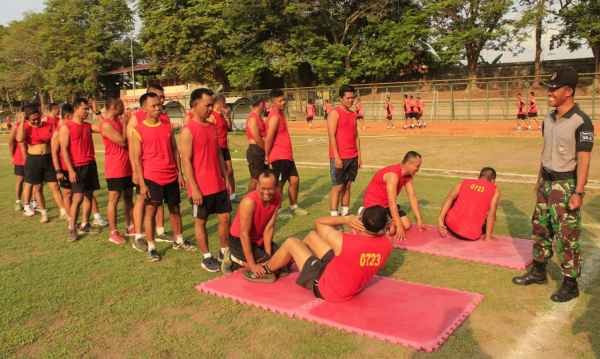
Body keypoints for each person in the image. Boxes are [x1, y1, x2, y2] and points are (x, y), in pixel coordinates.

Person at [513, 67, 594, 303]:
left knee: (566, 234)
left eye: (554, 89)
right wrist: (539, 180)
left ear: (568, 91)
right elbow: (545, 151)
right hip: (546, 182)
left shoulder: (582, 122)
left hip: (566, 184)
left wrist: (578, 192)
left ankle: (570, 284)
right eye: (549, 88)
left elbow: (584, 160)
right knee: (540, 227)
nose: (549, 92)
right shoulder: (548, 119)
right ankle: (539, 271)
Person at [245, 207, 392, 303]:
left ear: (361, 222)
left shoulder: (345, 242)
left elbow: (319, 223)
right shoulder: (387, 244)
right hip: (349, 282)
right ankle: (285, 262)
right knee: (311, 237)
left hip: (327, 288)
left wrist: (346, 219)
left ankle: (266, 271)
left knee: (291, 242)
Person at [131, 92, 188, 262]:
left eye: (159, 105)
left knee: (175, 209)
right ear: (144, 108)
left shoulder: (166, 125)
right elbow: (136, 159)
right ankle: (151, 247)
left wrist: (180, 174)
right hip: (152, 178)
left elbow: (175, 150)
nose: (158, 108)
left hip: (171, 176)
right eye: (153, 106)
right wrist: (142, 183)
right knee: (151, 212)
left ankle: (179, 240)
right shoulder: (138, 130)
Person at [180, 88, 233, 272]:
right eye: (207, 105)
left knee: (225, 218)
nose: (211, 108)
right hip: (201, 187)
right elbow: (185, 161)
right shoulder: (188, 131)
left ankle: (224, 252)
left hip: (218, 184)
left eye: (212, 104)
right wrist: (193, 187)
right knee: (201, 222)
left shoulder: (211, 127)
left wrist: (225, 177)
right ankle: (206, 257)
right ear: (194, 105)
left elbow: (218, 153)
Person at [127, 84, 170, 249]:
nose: (161, 100)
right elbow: (132, 147)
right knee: (142, 200)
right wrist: (135, 171)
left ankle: (160, 230)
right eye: (158, 97)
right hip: (145, 170)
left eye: (162, 98)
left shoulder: (163, 116)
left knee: (159, 202)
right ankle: (139, 235)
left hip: (163, 170)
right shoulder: (136, 118)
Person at [59, 98, 101, 240]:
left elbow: (103, 128)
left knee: (89, 195)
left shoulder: (88, 126)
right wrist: (70, 170)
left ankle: (85, 224)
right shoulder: (67, 127)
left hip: (90, 164)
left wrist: (97, 111)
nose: (87, 112)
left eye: (88, 109)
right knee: (77, 197)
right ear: (76, 109)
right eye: (85, 109)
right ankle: (71, 227)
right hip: (77, 167)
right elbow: (63, 150)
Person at [17, 104, 65, 223]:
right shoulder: (26, 127)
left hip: (48, 158)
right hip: (33, 160)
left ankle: (63, 210)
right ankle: (43, 212)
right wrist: (23, 122)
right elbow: (19, 139)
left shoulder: (48, 125)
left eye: (38, 118)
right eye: (33, 119)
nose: (36, 120)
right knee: (37, 188)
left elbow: (56, 137)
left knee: (55, 186)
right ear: (28, 118)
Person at [362, 151, 425, 241]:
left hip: (386, 205)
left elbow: (412, 196)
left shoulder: (408, 175)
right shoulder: (393, 175)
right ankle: (364, 215)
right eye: (417, 166)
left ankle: (387, 223)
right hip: (374, 206)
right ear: (409, 164)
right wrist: (398, 225)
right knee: (392, 231)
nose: (418, 169)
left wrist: (419, 219)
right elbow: (392, 202)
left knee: (407, 225)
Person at [264, 89, 308, 217]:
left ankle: (293, 206)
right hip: (278, 156)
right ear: (273, 102)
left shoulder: (280, 113)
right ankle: (275, 210)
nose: (284, 102)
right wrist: (267, 156)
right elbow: (269, 137)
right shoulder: (275, 116)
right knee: (279, 184)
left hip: (287, 155)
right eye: (280, 101)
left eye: (284, 100)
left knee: (294, 180)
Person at [228, 170, 281, 273]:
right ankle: (235, 259)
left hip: (257, 240)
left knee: (282, 263)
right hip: (239, 240)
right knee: (269, 269)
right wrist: (252, 266)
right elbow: (244, 234)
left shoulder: (278, 197)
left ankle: (247, 261)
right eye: (263, 188)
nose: (266, 192)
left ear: (276, 187)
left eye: (270, 189)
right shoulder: (249, 202)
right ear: (257, 186)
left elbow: (269, 229)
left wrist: (268, 255)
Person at [100, 98, 133, 245]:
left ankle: (130, 226)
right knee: (114, 199)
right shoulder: (106, 125)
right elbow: (122, 141)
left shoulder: (117, 121)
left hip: (126, 166)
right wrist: (126, 122)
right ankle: (113, 232)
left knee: (128, 197)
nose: (124, 109)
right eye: (122, 106)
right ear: (114, 107)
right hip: (115, 168)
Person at [438, 167, 501, 241]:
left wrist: (440, 220)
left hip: (450, 227)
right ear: (493, 180)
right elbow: (491, 214)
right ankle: (487, 234)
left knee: (453, 198)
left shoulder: (464, 182)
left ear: (479, 177)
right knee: (492, 210)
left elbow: (449, 198)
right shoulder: (494, 190)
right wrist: (488, 237)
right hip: (471, 235)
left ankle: (447, 222)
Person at [327, 85, 361, 218]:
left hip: (353, 156)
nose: (351, 100)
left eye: (353, 98)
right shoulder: (334, 113)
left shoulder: (353, 114)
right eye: (348, 98)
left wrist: (359, 156)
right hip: (340, 157)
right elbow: (331, 136)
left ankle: (345, 212)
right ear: (341, 98)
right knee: (337, 187)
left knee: (348, 186)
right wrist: (336, 157)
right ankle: (334, 216)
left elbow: (356, 136)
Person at [208, 94, 238, 203]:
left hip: (224, 147)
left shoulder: (222, 115)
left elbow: (229, 128)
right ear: (218, 103)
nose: (225, 105)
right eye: (224, 102)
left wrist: (227, 116)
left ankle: (232, 195)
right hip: (217, 148)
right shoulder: (212, 116)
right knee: (220, 173)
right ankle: (221, 193)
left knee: (230, 171)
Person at [51, 103, 73, 220]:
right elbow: (54, 153)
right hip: (64, 168)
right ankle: (71, 219)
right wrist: (58, 171)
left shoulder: (71, 127)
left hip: (76, 166)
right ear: (69, 115)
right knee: (67, 194)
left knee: (84, 193)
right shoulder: (58, 131)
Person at [245, 96, 268, 192]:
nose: (265, 106)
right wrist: (266, 151)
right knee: (255, 178)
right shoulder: (253, 118)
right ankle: (247, 200)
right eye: (264, 104)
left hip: (259, 149)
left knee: (262, 178)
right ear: (261, 104)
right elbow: (257, 138)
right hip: (256, 150)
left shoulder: (259, 117)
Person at [9, 115, 26, 211]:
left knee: (31, 182)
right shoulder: (16, 127)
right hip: (19, 158)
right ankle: (18, 201)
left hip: (32, 157)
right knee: (20, 179)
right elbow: (11, 143)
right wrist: (12, 157)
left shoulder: (32, 124)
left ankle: (30, 202)